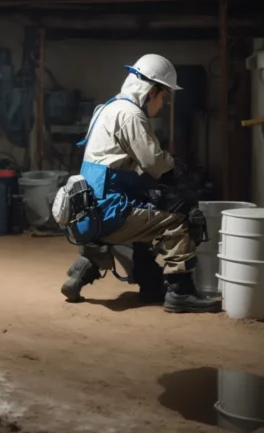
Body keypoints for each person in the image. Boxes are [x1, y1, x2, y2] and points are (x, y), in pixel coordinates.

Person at [59, 54, 220, 313]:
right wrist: (180, 171)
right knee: (179, 217)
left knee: (147, 209)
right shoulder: (131, 115)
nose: (164, 103)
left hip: (88, 213)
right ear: (151, 91)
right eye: (164, 97)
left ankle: (141, 282)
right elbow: (156, 164)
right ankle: (181, 291)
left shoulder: (108, 108)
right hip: (109, 212)